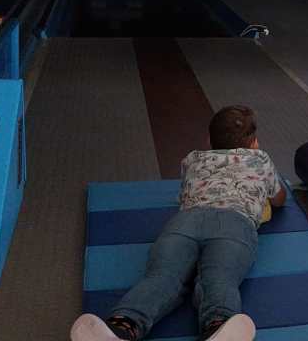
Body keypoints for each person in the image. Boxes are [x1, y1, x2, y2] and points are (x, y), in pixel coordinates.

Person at [70, 106, 286, 341]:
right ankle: (218, 324)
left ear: (208, 139)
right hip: (234, 224)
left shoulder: (193, 159)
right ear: (254, 142)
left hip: (186, 223)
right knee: (219, 277)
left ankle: (122, 325)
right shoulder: (261, 159)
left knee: (162, 277)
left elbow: (184, 196)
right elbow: (279, 199)